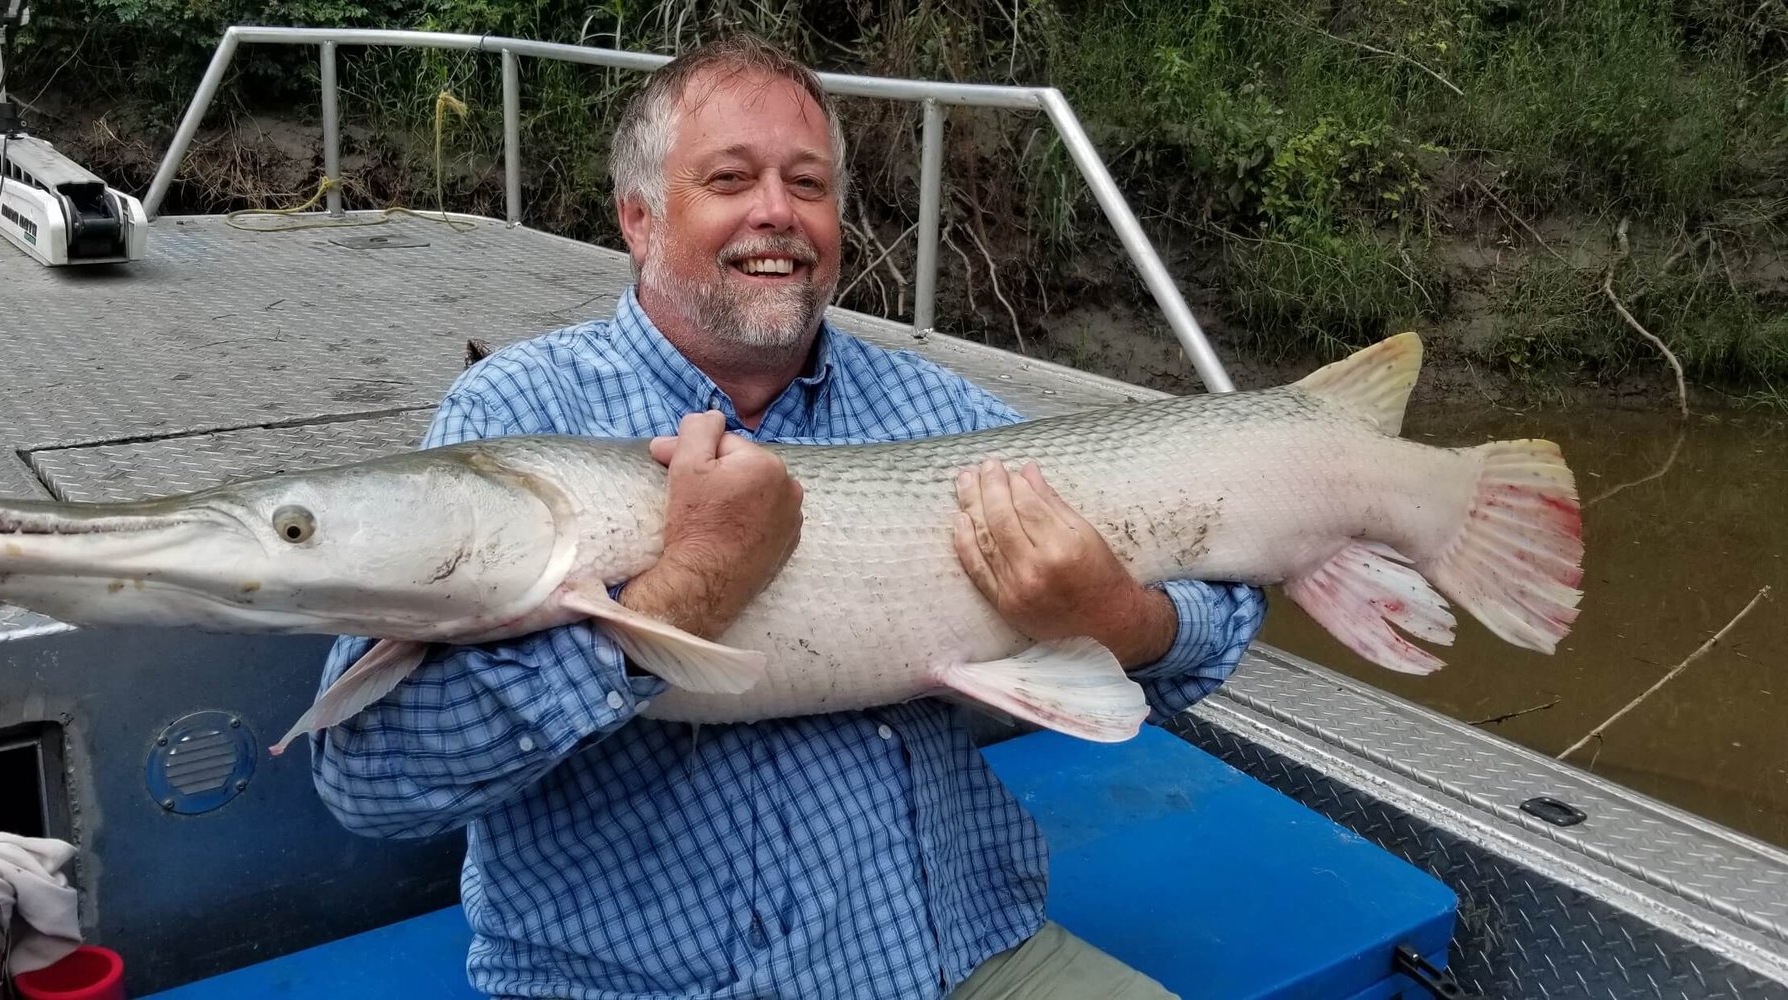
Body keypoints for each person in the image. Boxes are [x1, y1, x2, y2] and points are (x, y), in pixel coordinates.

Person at [308, 33, 1267, 1000]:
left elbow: (1216, 623)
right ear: (639, 219)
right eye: (729, 179)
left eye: (807, 184)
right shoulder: (511, 416)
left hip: (978, 957)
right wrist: (686, 593)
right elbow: (370, 782)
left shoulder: (934, 412)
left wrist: (1120, 617)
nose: (777, 212)